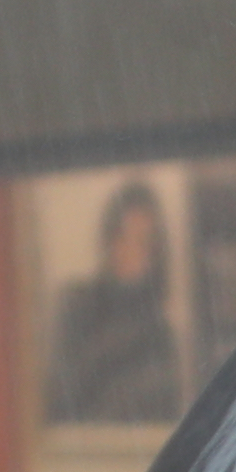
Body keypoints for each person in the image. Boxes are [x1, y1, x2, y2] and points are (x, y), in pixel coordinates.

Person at [40, 179, 187, 426]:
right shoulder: (78, 304)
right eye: (122, 237)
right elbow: (61, 396)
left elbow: (163, 409)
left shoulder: (160, 331)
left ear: (155, 250)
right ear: (108, 240)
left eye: (142, 241)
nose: (130, 251)